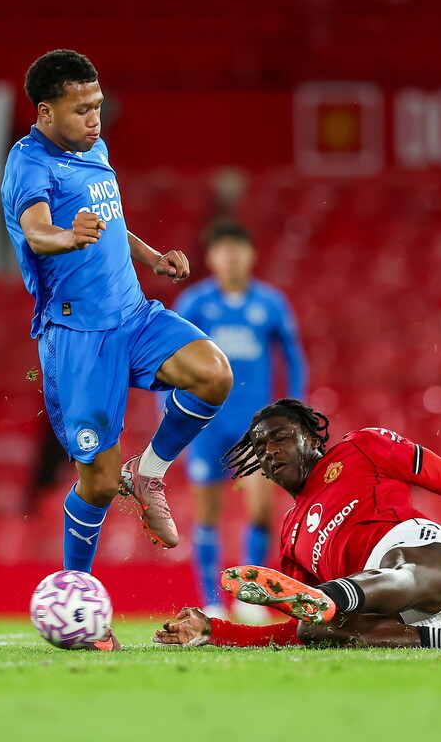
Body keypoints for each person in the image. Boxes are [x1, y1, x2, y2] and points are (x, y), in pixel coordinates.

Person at [0, 50, 233, 580]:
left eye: (98, 106)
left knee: (214, 374)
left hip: (133, 315)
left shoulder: (94, 148)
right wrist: (66, 237)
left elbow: (109, 219)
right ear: (44, 113)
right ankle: (76, 590)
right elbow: (35, 229)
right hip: (79, 335)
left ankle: (148, 472)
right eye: (81, 109)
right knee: (99, 484)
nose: (94, 119)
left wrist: (153, 258)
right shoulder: (28, 163)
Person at [154, 398, 441, 649]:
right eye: (260, 449)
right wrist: (215, 629)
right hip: (408, 621)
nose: (270, 452)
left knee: (397, 569)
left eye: (280, 437)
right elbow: (294, 630)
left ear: (312, 438)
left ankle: (332, 596)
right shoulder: (291, 534)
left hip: (435, 563)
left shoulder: (362, 447)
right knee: (314, 633)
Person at [173, 223, 306, 620]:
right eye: (223, 251)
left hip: (256, 428)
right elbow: (171, 357)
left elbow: (294, 357)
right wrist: (173, 409)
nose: (231, 258)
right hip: (206, 424)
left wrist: (294, 408)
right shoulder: (194, 304)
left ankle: (250, 599)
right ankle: (211, 600)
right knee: (207, 514)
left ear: (251, 256)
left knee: (260, 510)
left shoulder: (270, 304)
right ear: (212, 258)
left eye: (238, 250)